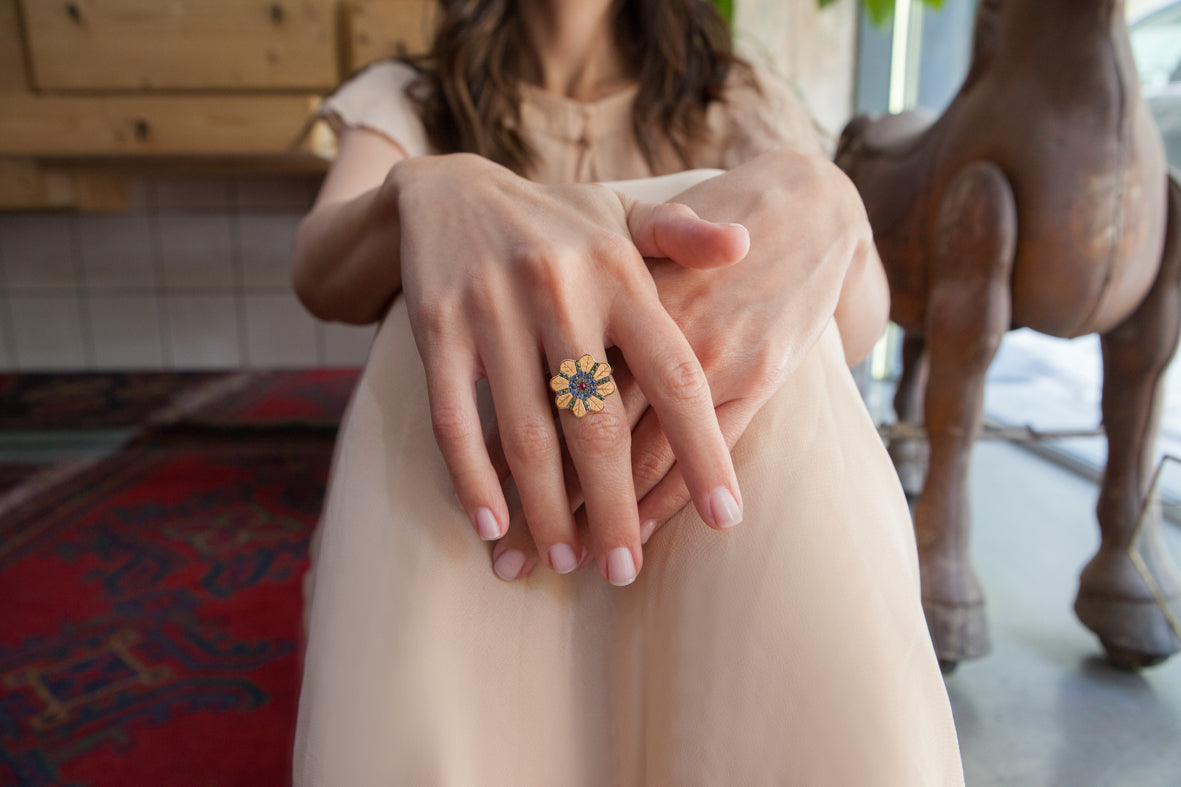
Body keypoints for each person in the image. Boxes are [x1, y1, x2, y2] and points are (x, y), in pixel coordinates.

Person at [292, 0, 964, 784]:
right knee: (434, 287)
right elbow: (320, 272)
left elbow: (848, 331)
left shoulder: (732, 97)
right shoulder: (411, 96)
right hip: (485, 489)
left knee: (738, 241)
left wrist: (830, 206)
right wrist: (424, 192)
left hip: (700, 495)